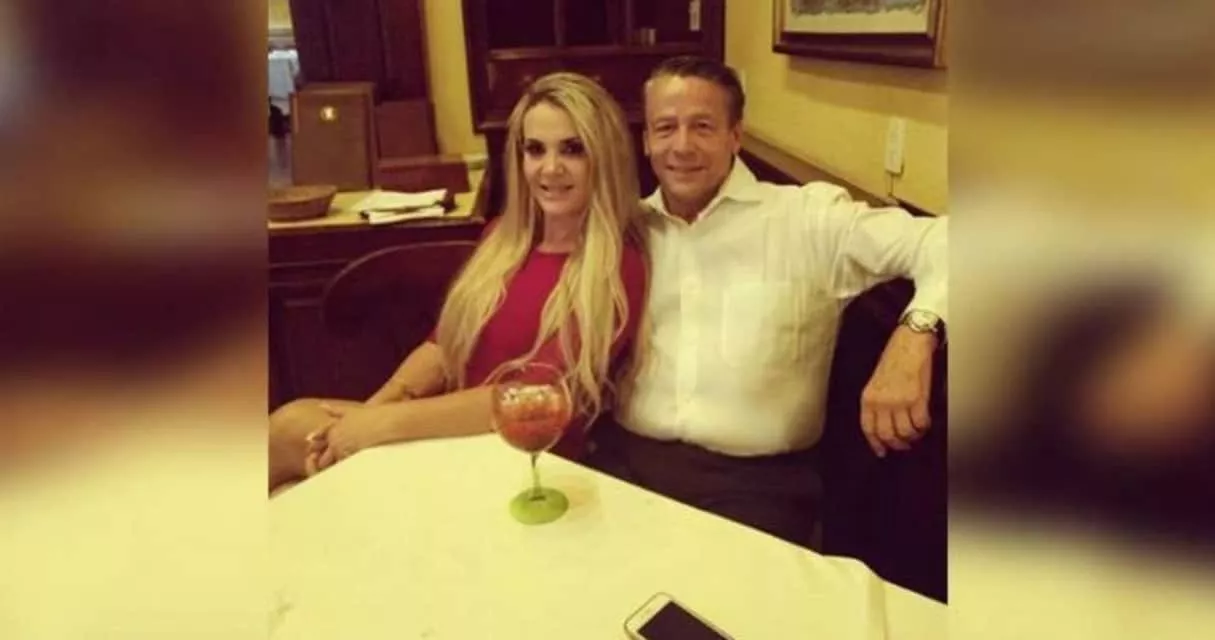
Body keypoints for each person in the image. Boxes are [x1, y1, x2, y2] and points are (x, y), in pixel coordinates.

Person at [585, 56, 948, 549]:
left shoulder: (807, 219)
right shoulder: (627, 230)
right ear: (646, 139)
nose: (682, 146)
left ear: (736, 136)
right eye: (665, 128)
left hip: (755, 488)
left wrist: (915, 333)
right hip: (625, 464)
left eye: (703, 127)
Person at [268, 72, 648, 493]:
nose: (550, 168)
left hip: (525, 460)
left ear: (605, 158)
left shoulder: (617, 264)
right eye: (535, 149)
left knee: (293, 434)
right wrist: (373, 412)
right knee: (289, 431)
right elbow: (443, 345)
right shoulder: (502, 238)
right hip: (449, 435)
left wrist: (381, 425)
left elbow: (533, 394)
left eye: (573, 149)